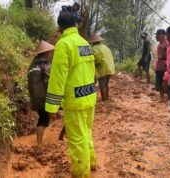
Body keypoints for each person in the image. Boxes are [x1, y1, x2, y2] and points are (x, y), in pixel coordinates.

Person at [45, 10, 97, 178]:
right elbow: (91, 71)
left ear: (59, 27)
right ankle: (92, 163)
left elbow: (57, 78)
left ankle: (82, 173)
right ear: (75, 24)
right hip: (89, 97)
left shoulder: (63, 44)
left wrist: (52, 107)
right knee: (86, 132)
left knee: (76, 139)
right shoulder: (84, 43)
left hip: (75, 100)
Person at [27, 40, 54, 145]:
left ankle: (40, 141)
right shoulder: (46, 64)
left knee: (43, 117)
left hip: (34, 96)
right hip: (43, 96)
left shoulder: (32, 64)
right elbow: (49, 81)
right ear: (46, 52)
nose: (51, 53)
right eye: (50, 52)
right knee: (43, 119)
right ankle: (39, 143)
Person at [89, 34, 115, 101]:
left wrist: (93, 65)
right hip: (110, 67)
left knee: (102, 86)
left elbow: (97, 60)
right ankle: (107, 98)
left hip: (102, 69)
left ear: (93, 42)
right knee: (106, 84)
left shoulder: (94, 49)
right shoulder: (106, 47)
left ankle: (104, 100)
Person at [155, 29, 168, 99]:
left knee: (165, 81)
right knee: (159, 81)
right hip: (160, 65)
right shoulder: (160, 44)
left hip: (164, 66)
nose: (156, 36)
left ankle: (168, 97)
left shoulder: (166, 43)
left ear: (162, 35)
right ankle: (161, 96)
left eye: (157, 35)